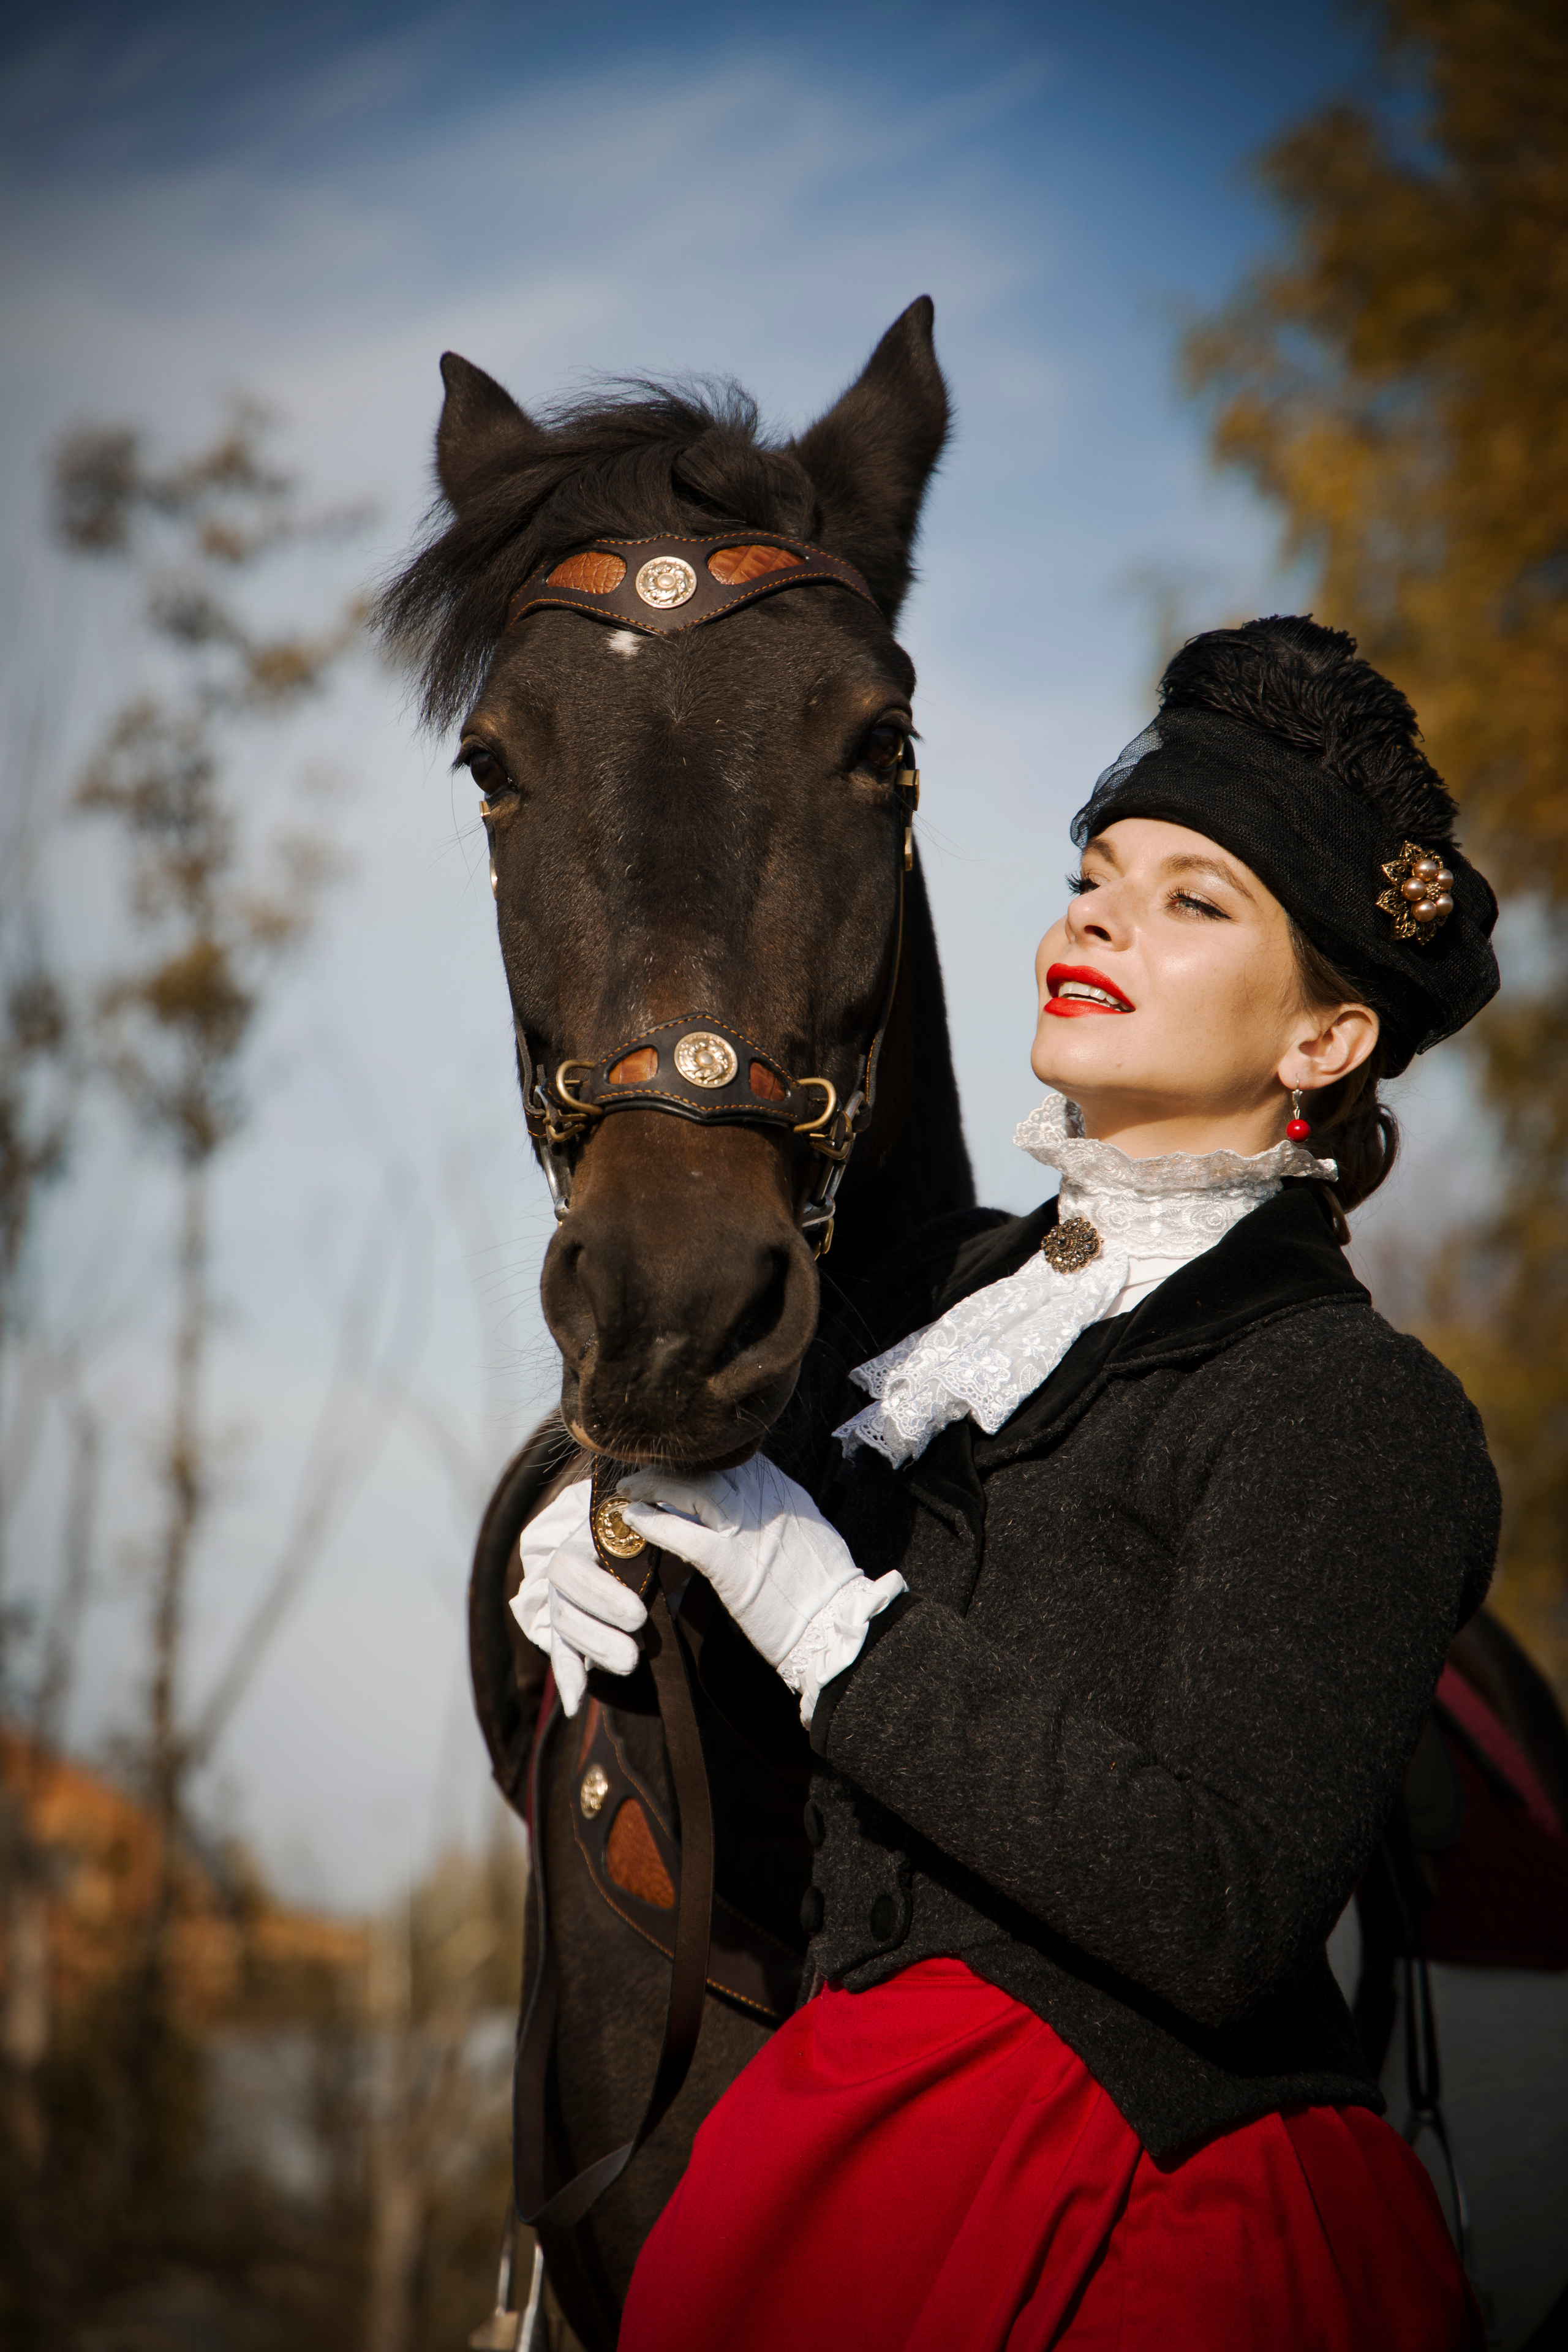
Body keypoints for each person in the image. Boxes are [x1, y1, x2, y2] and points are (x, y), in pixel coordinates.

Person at [518, 617, 1501, 2350]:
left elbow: (1224, 1907)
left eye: (1197, 900)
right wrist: (608, 1509)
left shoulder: (1352, 1408)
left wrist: (831, 1619)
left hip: (1143, 2215)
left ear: (1326, 1041)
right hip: (833, 2141)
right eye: (1096, 872)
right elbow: (714, 1481)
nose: (1099, 918)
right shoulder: (929, 1315)